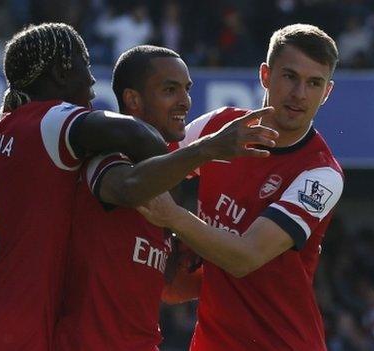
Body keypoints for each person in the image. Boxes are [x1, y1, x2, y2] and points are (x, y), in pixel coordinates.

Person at [0, 24, 277, 350]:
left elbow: (161, 283)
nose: (92, 79)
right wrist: (203, 151)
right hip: (13, 330)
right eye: (84, 64)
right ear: (61, 74)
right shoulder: (63, 129)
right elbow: (132, 149)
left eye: (186, 89)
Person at [54, 45, 278, 351]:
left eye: (186, 89)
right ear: (133, 99)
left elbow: (168, 289)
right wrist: (207, 148)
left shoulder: (167, 178)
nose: (185, 102)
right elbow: (131, 186)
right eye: (170, 90)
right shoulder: (105, 159)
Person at [138, 24, 345, 350]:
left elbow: (245, 257)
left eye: (314, 83)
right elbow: (151, 171)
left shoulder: (322, 175)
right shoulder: (219, 126)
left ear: (327, 92)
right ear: (265, 74)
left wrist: (173, 218)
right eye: (290, 76)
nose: (299, 94)